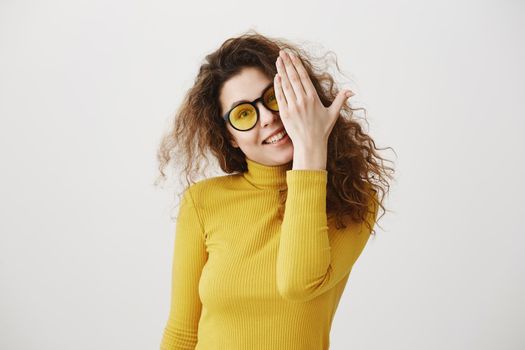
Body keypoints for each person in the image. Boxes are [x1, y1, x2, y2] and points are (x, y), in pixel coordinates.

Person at [156, 30, 395, 350]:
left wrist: (311, 148)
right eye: (244, 114)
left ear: (300, 98)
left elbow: (298, 284)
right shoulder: (203, 201)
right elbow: (182, 333)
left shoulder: (353, 199)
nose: (268, 118)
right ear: (229, 136)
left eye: (273, 98)